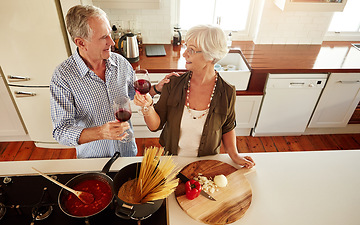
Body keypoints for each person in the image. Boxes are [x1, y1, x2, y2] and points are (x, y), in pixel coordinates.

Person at [50, 5, 169, 158]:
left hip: (128, 153)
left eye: (110, 35)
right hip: (93, 161)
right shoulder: (63, 77)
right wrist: (100, 132)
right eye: (103, 37)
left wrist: (155, 89)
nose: (112, 42)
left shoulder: (120, 63)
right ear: (81, 43)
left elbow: (134, 94)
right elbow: (60, 131)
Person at [134, 24, 255, 168]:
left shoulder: (227, 92)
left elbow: (228, 127)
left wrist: (235, 155)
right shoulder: (173, 84)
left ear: (210, 56)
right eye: (186, 47)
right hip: (172, 162)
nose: (184, 54)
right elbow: (155, 126)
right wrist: (147, 106)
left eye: (191, 50)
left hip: (207, 164)